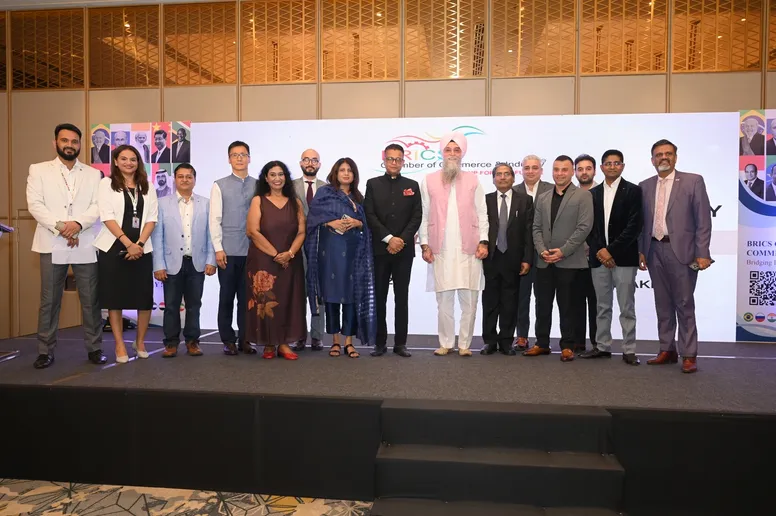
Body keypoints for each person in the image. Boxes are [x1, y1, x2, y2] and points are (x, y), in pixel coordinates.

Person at [26, 123, 106, 369]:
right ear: (55, 143)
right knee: (50, 300)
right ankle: (45, 351)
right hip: (51, 241)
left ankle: (95, 348)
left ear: (80, 145)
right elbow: (35, 205)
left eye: (74, 141)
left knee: (91, 299)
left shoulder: (93, 174)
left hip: (85, 241)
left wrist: (78, 224)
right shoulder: (38, 170)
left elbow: (98, 205)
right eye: (64, 140)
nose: (69, 145)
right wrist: (63, 227)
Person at [639, 139, 712, 374]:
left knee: (684, 303)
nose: (664, 157)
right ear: (652, 160)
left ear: (675, 157)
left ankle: (689, 354)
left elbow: (703, 221)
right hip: (654, 250)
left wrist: (702, 253)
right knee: (662, 304)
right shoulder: (644, 186)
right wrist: (641, 250)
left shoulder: (693, 181)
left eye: (668, 153)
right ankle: (667, 349)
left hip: (682, 252)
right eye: (659, 154)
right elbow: (642, 223)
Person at [419, 132, 488, 357]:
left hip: (470, 249)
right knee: (444, 302)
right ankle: (446, 342)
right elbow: (424, 214)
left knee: (470, 301)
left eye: (456, 150)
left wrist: (484, 241)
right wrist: (425, 244)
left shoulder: (473, 180)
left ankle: (465, 344)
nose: (452, 154)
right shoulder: (428, 180)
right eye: (448, 150)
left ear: (462, 153)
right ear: (442, 152)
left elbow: (482, 212)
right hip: (441, 250)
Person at [524, 155, 593, 362]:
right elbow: (536, 228)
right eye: (556, 170)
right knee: (542, 305)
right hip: (544, 261)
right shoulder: (543, 197)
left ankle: (568, 345)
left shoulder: (583, 196)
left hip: (569, 261)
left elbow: (584, 228)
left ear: (572, 172)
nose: (560, 174)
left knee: (568, 306)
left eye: (564, 170)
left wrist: (563, 251)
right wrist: (541, 250)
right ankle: (541, 343)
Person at [306, 157, 376, 358]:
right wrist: (330, 222)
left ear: (354, 175)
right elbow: (313, 219)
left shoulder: (358, 197)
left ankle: (349, 342)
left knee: (351, 297)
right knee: (332, 296)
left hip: (354, 253)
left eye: (349, 170)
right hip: (331, 252)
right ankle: (335, 341)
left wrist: (358, 223)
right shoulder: (325, 193)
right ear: (335, 173)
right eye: (342, 170)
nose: (346, 173)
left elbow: (368, 224)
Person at [94, 145, 158, 363]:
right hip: (113, 247)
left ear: (138, 162)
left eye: (133, 159)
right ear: (115, 161)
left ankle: (140, 342)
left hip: (142, 248)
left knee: (144, 298)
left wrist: (138, 244)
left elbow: (152, 218)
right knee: (115, 298)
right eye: (124, 159)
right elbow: (107, 216)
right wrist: (128, 244)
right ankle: (119, 344)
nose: (128, 163)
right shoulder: (106, 184)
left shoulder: (147, 186)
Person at [151, 163, 216, 358]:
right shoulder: (162, 203)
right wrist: (158, 264)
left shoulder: (206, 204)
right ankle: (171, 343)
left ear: (194, 180)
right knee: (171, 306)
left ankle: (192, 342)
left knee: (194, 305)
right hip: (171, 263)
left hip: (196, 262)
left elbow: (211, 234)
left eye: (189, 176)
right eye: (181, 176)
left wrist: (211, 260)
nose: (185, 180)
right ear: (175, 179)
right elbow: (157, 237)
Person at [363, 143, 422, 358]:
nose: (394, 163)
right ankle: (380, 343)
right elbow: (369, 214)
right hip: (380, 249)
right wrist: (389, 238)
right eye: (390, 159)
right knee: (380, 297)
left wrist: (401, 240)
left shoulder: (412, 185)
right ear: (384, 160)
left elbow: (417, 216)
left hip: (404, 251)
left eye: (398, 159)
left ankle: (400, 344)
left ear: (403, 161)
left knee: (401, 298)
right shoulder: (373, 184)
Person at [584, 150, 642, 365]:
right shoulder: (592, 194)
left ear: (622, 166)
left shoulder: (634, 191)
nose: (612, 167)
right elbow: (588, 227)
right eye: (608, 163)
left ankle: (629, 349)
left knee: (626, 307)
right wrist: (601, 251)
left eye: (616, 163)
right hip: (598, 258)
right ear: (601, 167)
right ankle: (602, 346)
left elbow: (634, 226)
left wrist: (611, 251)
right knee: (602, 306)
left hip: (624, 258)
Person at [246, 161, 307, 360]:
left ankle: (284, 344)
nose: (277, 178)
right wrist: (275, 255)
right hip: (264, 260)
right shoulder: (258, 201)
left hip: (290, 260)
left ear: (286, 177)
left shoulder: (295, 202)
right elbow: (252, 231)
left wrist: (289, 253)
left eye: (281, 174)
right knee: (266, 301)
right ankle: (269, 344)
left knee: (288, 300)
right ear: (266, 178)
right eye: (272, 174)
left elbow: (301, 232)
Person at [210, 141, 259, 355]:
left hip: (252, 251)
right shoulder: (219, 185)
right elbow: (214, 219)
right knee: (227, 297)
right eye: (235, 155)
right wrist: (218, 248)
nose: (239, 158)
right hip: (228, 251)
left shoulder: (259, 185)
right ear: (229, 159)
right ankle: (228, 340)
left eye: (243, 154)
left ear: (249, 158)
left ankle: (245, 339)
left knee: (247, 300)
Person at [481, 163, 533, 356]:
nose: (502, 177)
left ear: (513, 177)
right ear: (493, 178)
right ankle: (489, 341)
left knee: (510, 302)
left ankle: (506, 341)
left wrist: (527, 258)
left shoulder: (525, 200)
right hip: (490, 258)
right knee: (490, 302)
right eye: (499, 174)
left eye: (506, 174)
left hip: (513, 259)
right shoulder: (485, 200)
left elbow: (528, 232)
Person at [513, 155, 553, 351]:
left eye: (534, 167)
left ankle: (541, 339)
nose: (530, 171)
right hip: (521, 255)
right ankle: (521, 336)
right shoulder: (513, 191)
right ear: (521, 170)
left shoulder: (552, 190)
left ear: (541, 170)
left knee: (543, 299)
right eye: (527, 167)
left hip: (546, 253)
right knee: (521, 298)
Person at [292, 148, 327, 351]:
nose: (310, 163)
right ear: (300, 163)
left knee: (318, 292)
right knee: (298, 292)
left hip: (320, 246)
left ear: (319, 164)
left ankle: (317, 336)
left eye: (314, 160)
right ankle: (299, 335)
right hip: (295, 246)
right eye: (306, 159)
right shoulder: (290, 186)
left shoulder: (327, 188)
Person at [573, 154, 599, 353]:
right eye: (580, 169)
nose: (584, 172)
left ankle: (598, 343)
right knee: (576, 302)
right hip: (575, 257)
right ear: (575, 172)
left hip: (599, 257)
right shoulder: (570, 195)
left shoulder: (602, 194)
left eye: (588, 168)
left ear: (594, 171)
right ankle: (578, 342)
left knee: (598, 303)